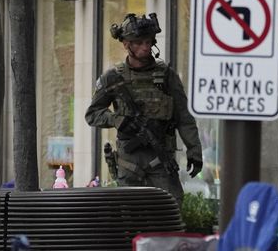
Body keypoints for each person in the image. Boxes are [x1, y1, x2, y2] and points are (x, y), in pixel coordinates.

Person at [85, 13, 202, 207]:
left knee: (170, 207)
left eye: (148, 42)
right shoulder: (113, 78)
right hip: (129, 161)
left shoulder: (166, 76)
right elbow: (92, 114)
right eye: (139, 42)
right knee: (128, 212)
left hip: (161, 156)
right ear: (126, 44)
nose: (145, 47)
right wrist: (117, 120)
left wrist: (194, 151)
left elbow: (184, 117)